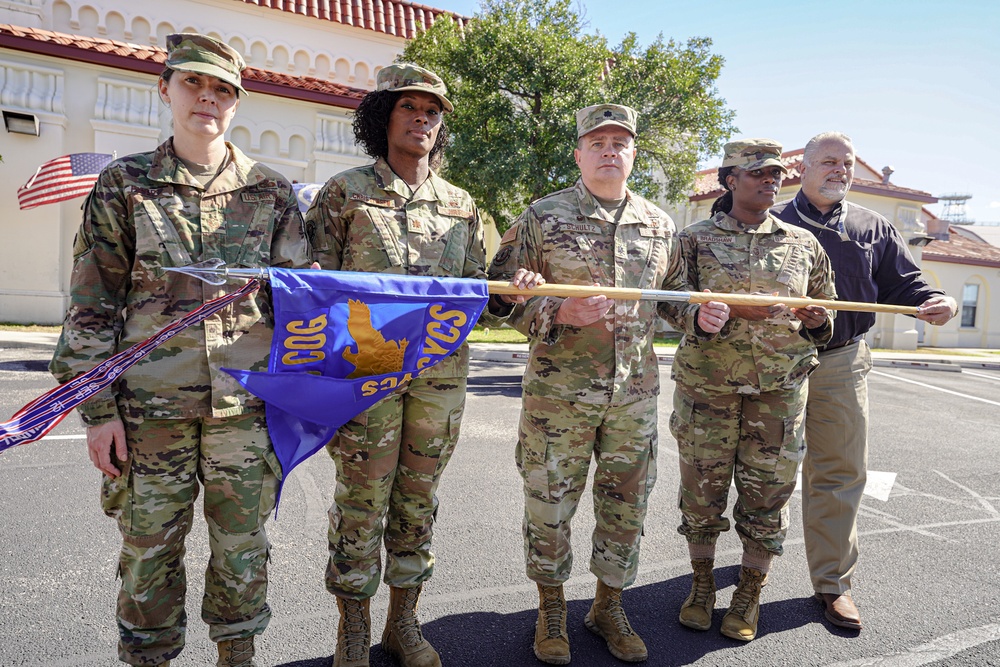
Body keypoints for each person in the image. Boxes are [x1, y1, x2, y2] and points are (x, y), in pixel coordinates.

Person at [49, 33, 310, 667]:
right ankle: (148, 659)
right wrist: (98, 411)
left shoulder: (271, 192)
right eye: (193, 83)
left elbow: (301, 306)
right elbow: (92, 303)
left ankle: (237, 655)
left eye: (222, 89)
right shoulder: (125, 185)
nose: (207, 99)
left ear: (237, 104)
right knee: (148, 550)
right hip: (147, 413)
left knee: (243, 548)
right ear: (163, 89)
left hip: (244, 413)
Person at [306, 63, 538, 667]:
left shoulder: (460, 204)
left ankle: (402, 622)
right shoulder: (345, 191)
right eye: (410, 107)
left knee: (418, 498)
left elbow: (475, 294)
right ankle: (352, 625)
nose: (423, 119)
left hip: (438, 373)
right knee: (361, 499)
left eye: (432, 111)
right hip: (366, 370)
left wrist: (509, 289)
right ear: (383, 116)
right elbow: (313, 287)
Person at [488, 103, 730, 665]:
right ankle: (551, 607)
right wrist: (554, 313)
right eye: (597, 142)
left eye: (619, 143)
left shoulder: (659, 224)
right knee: (549, 504)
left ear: (633, 155)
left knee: (626, 505)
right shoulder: (540, 218)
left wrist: (700, 318)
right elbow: (499, 298)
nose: (608, 151)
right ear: (579, 153)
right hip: (559, 398)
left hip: (633, 397)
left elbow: (676, 298)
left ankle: (607, 605)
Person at [771, 132, 957, 630]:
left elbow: (909, 284)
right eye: (828, 161)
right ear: (802, 170)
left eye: (846, 163)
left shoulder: (873, 226)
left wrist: (942, 301)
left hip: (842, 362)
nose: (840, 170)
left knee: (839, 471)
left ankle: (831, 585)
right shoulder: (771, 224)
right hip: (774, 362)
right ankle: (752, 572)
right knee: (765, 471)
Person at [670, 139, 836, 642]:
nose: (771, 181)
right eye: (758, 173)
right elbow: (669, 301)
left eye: (776, 173)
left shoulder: (803, 244)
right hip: (708, 388)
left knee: (768, 495)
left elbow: (827, 309)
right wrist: (695, 314)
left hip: (778, 393)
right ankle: (701, 586)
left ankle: (749, 592)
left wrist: (817, 319)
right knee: (702, 491)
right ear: (730, 181)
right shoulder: (694, 239)